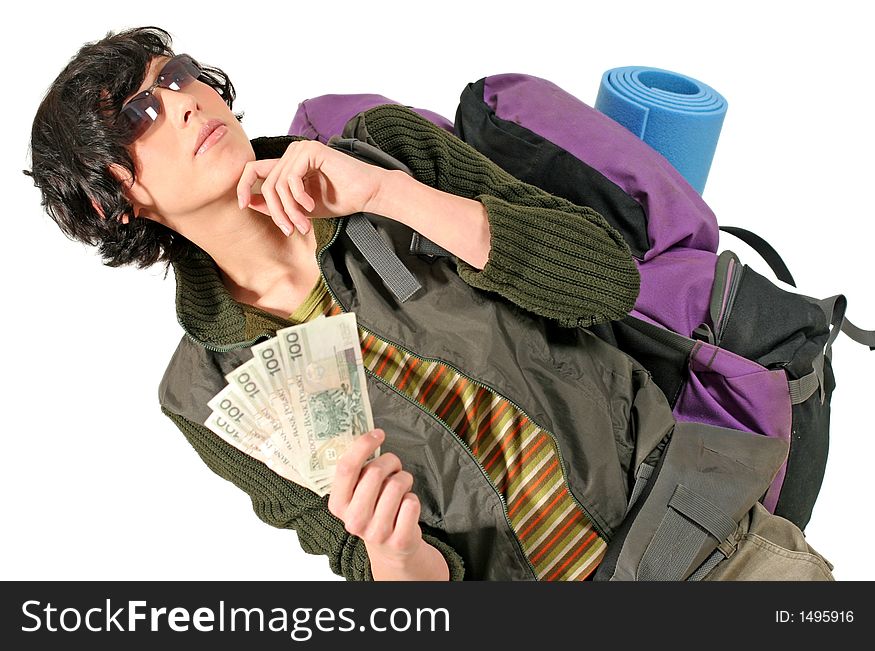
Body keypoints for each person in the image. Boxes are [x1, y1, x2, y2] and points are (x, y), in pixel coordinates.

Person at [31, 26, 828, 582]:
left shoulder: (381, 152)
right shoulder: (204, 395)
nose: (180, 100)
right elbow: (381, 572)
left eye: (176, 74)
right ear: (113, 202)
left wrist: (390, 192)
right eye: (137, 113)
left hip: (703, 539)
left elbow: (602, 281)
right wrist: (393, 550)